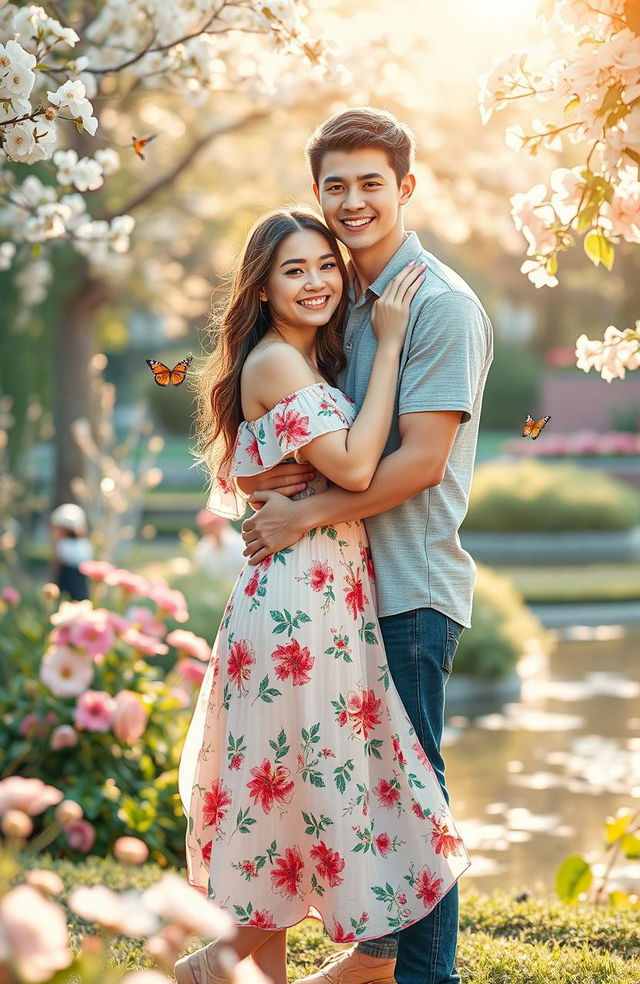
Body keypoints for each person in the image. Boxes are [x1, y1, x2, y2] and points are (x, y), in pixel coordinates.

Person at [175, 207, 469, 984]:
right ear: (263, 289)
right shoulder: (276, 362)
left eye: (324, 267)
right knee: (283, 782)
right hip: (295, 610)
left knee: (294, 781)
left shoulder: (313, 364)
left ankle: (240, 969)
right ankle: (239, 964)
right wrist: (398, 341)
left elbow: (262, 470)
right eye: (293, 270)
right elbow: (356, 468)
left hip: (323, 603)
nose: (315, 282)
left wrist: (252, 477)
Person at [239, 108, 494, 984]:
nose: (351, 202)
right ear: (317, 193)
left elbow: (419, 463)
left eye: (369, 183)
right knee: (373, 797)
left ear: (406, 188)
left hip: (407, 590)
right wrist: (262, 480)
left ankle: (423, 976)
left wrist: (303, 516)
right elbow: (301, 430)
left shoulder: (440, 308)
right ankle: (361, 961)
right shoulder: (339, 305)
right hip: (335, 596)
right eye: (334, 186)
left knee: (414, 800)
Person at [49, 502, 92, 601]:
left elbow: (57, 565)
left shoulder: (63, 545)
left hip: (66, 585)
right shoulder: (85, 544)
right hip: (81, 589)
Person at [193, 508, 246, 585]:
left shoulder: (239, 544)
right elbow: (198, 570)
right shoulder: (204, 546)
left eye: (212, 525)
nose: (208, 529)